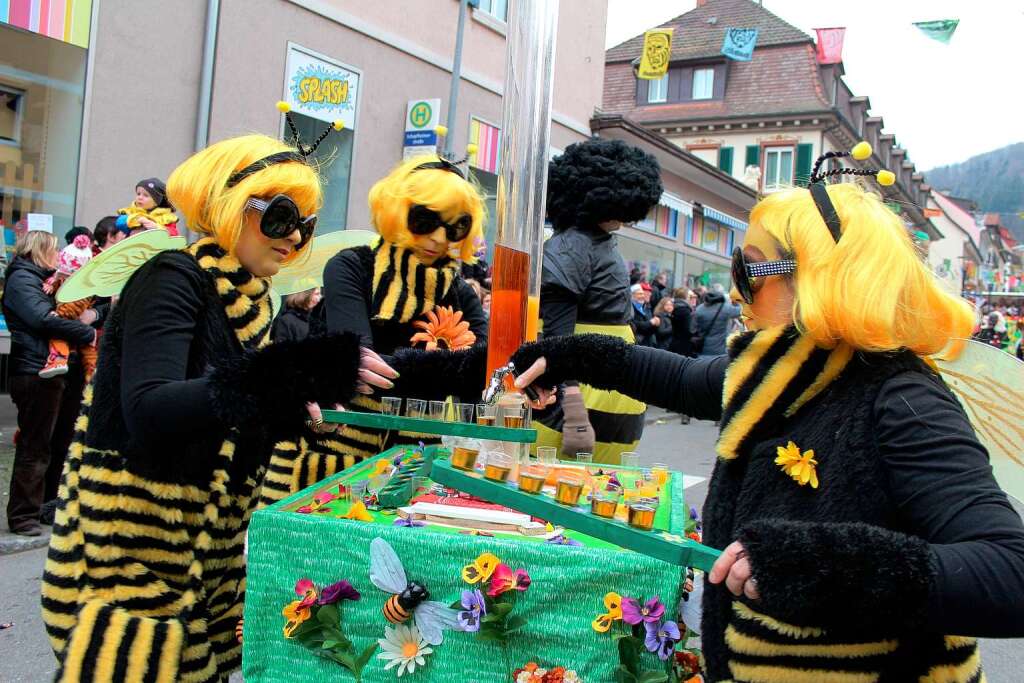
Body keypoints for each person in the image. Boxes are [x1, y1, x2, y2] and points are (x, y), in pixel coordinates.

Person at [512, 164, 1024, 681]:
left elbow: (1010, 571)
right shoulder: (785, 370)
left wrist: (811, 565)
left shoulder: (902, 396)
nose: (735, 293)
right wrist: (565, 355)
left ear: (820, 279)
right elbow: (683, 377)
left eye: (746, 271)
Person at [40, 133, 398, 681]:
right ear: (232, 207)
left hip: (203, 559)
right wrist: (290, 374)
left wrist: (293, 409)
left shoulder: (248, 299)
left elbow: (223, 406)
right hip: (133, 547)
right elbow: (151, 408)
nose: (293, 238)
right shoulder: (172, 277)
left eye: (305, 226)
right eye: (280, 218)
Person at [258, 153, 489, 505]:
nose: (440, 238)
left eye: (455, 226)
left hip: (415, 464)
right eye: (425, 219)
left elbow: (488, 372)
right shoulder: (353, 267)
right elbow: (360, 363)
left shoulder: (457, 291)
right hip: (331, 451)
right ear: (397, 210)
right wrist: (453, 371)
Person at [534, 138, 662, 463]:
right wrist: (572, 403)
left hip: (606, 386)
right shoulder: (573, 245)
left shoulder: (594, 242)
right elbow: (557, 334)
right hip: (584, 393)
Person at [2, 231, 98, 537]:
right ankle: (23, 515)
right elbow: (42, 319)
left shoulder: (46, 280)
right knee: (36, 444)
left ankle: (46, 506)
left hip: (57, 373)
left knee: (57, 442)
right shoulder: (22, 279)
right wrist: (86, 334)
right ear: (40, 251)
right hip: (34, 371)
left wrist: (91, 314)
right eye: (54, 250)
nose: (58, 256)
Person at [38, 235, 100, 380]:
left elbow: (75, 307)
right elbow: (56, 282)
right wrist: (50, 285)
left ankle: (62, 361)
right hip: (78, 326)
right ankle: (90, 372)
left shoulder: (82, 289)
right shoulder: (61, 278)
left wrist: (59, 315)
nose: (63, 278)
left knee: (60, 338)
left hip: (71, 320)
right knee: (85, 348)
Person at [694, 282, 741, 356]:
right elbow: (740, 311)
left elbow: (693, 328)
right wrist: (736, 299)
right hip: (719, 350)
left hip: (702, 349)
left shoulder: (699, 309)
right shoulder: (725, 308)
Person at [667, 287, 696, 358]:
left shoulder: (674, 306)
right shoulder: (685, 310)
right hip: (683, 345)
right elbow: (688, 329)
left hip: (673, 341)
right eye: (690, 297)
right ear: (686, 296)